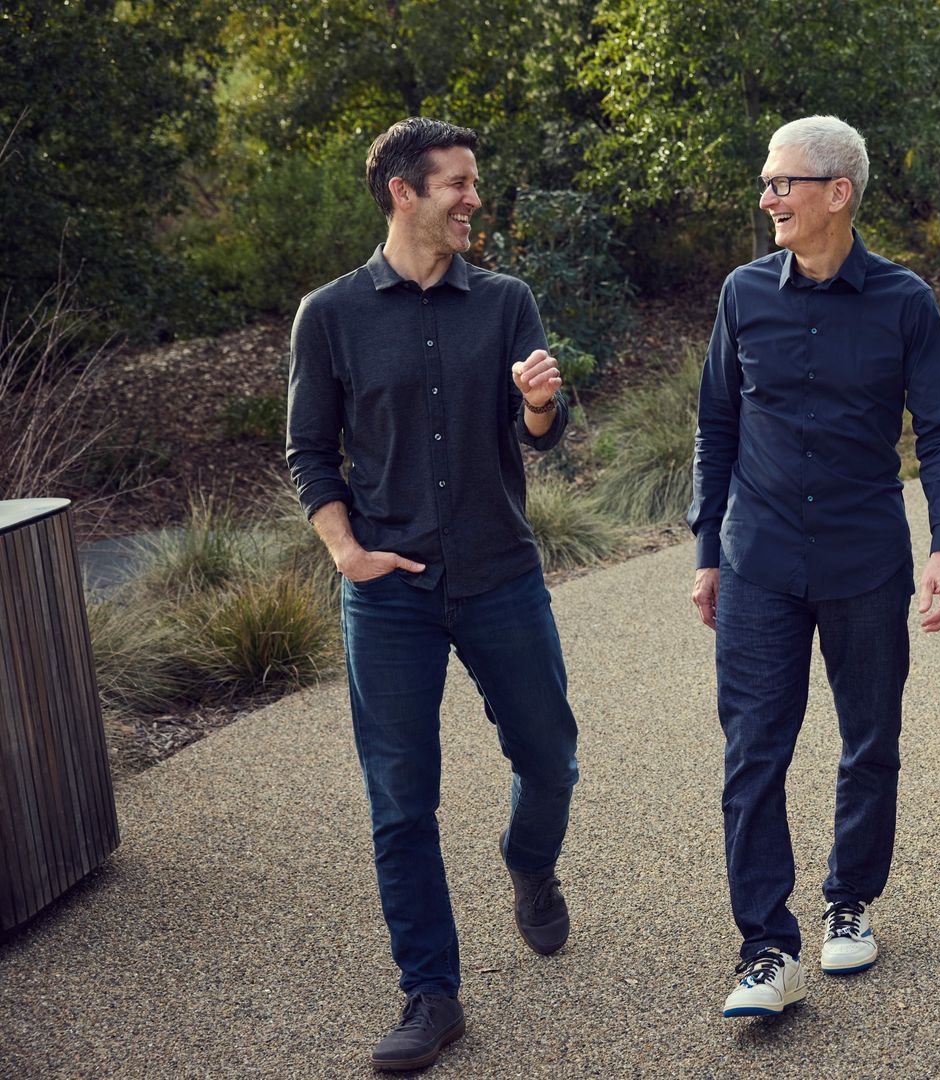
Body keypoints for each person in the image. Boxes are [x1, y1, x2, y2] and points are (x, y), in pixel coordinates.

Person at [286, 117, 581, 1072]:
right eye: (457, 183)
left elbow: (540, 431)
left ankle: (529, 865)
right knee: (401, 804)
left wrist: (539, 401)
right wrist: (345, 551)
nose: (473, 199)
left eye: (474, 181)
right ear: (403, 192)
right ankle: (432, 993)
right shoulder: (328, 315)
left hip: (500, 576)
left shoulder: (506, 302)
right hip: (390, 595)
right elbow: (308, 452)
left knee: (552, 761)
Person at [687, 115, 940, 1018]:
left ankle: (850, 901)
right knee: (753, 754)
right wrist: (706, 555)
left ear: (836, 194)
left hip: (863, 560)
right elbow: (717, 428)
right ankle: (766, 950)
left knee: (869, 739)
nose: (767, 198)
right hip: (759, 561)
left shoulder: (904, 302)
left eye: (783, 184)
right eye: (766, 184)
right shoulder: (743, 294)